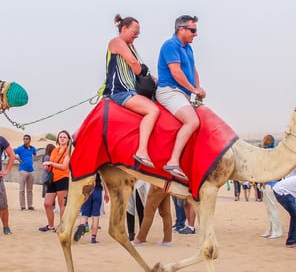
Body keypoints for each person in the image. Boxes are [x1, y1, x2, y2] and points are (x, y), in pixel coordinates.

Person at [103, 14, 160, 168]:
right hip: (121, 92)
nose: (136, 36)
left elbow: (140, 68)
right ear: (124, 28)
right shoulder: (117, 42)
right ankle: (142, 151)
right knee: (152, 110)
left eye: (138, 33)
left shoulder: (131, 46)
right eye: (135, 32)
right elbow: (135, 65)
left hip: (131, 90)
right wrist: (143, 71)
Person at [155, 14, 204, 182]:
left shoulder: (187, 48)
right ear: (181, 29)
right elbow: (176, 72)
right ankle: (173, 161)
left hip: (184, 92)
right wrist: (193, 90)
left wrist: (197, 88)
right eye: (193, 30)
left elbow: (193, 69)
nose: (195, 34)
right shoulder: (170, 45)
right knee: (192, 122)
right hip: (170, 91)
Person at [40, 130, 71, 232]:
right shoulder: (55, 150)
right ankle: (50, 225)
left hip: (63, 178)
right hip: (53, 178)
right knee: (47, 203)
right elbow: (51, 164)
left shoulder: (68, 151)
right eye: (60, 137)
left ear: (68, 140)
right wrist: (47, 166)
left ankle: (62, 226)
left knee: (62, 204)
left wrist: (51, 164)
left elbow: (63, 166)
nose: (62, 139)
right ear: (58, 139)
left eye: (64, 137)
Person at [74, 172, 108, 244]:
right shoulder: (99, 168)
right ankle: (93, 238)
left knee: (84, 215)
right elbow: (104, 180)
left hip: (87, 191)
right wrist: (106, 193)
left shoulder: (86, 167)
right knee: (95, 216)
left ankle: (82, 225)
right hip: (97, 191)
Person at [14, 135, 37, 211]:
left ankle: (30, 205)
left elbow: (35, 154)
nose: (25, 140)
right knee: (22, 189)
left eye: (27, 139)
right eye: (24, 139)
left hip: (31, 170)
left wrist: (32, 159)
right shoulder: (20, 148)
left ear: (30, 140)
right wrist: (17, 158)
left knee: (30, 189)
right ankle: (23, 206)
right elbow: (11, 152)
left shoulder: (33, 148)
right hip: (23, 170)